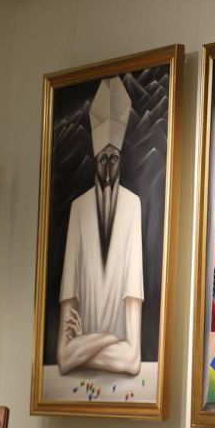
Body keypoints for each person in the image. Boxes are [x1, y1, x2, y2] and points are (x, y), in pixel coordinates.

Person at [57, 77, 143, 376]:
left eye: (114, 158)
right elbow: (63, 357)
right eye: (103, 158)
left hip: (102, 346)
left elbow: (133, 360)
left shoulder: (133, 205)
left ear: (122, 159)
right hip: (110, 347)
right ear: (95, 160)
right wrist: (111, 340)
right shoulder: (78, 208)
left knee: (127, 358)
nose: (108, 166)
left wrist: (81, 346)